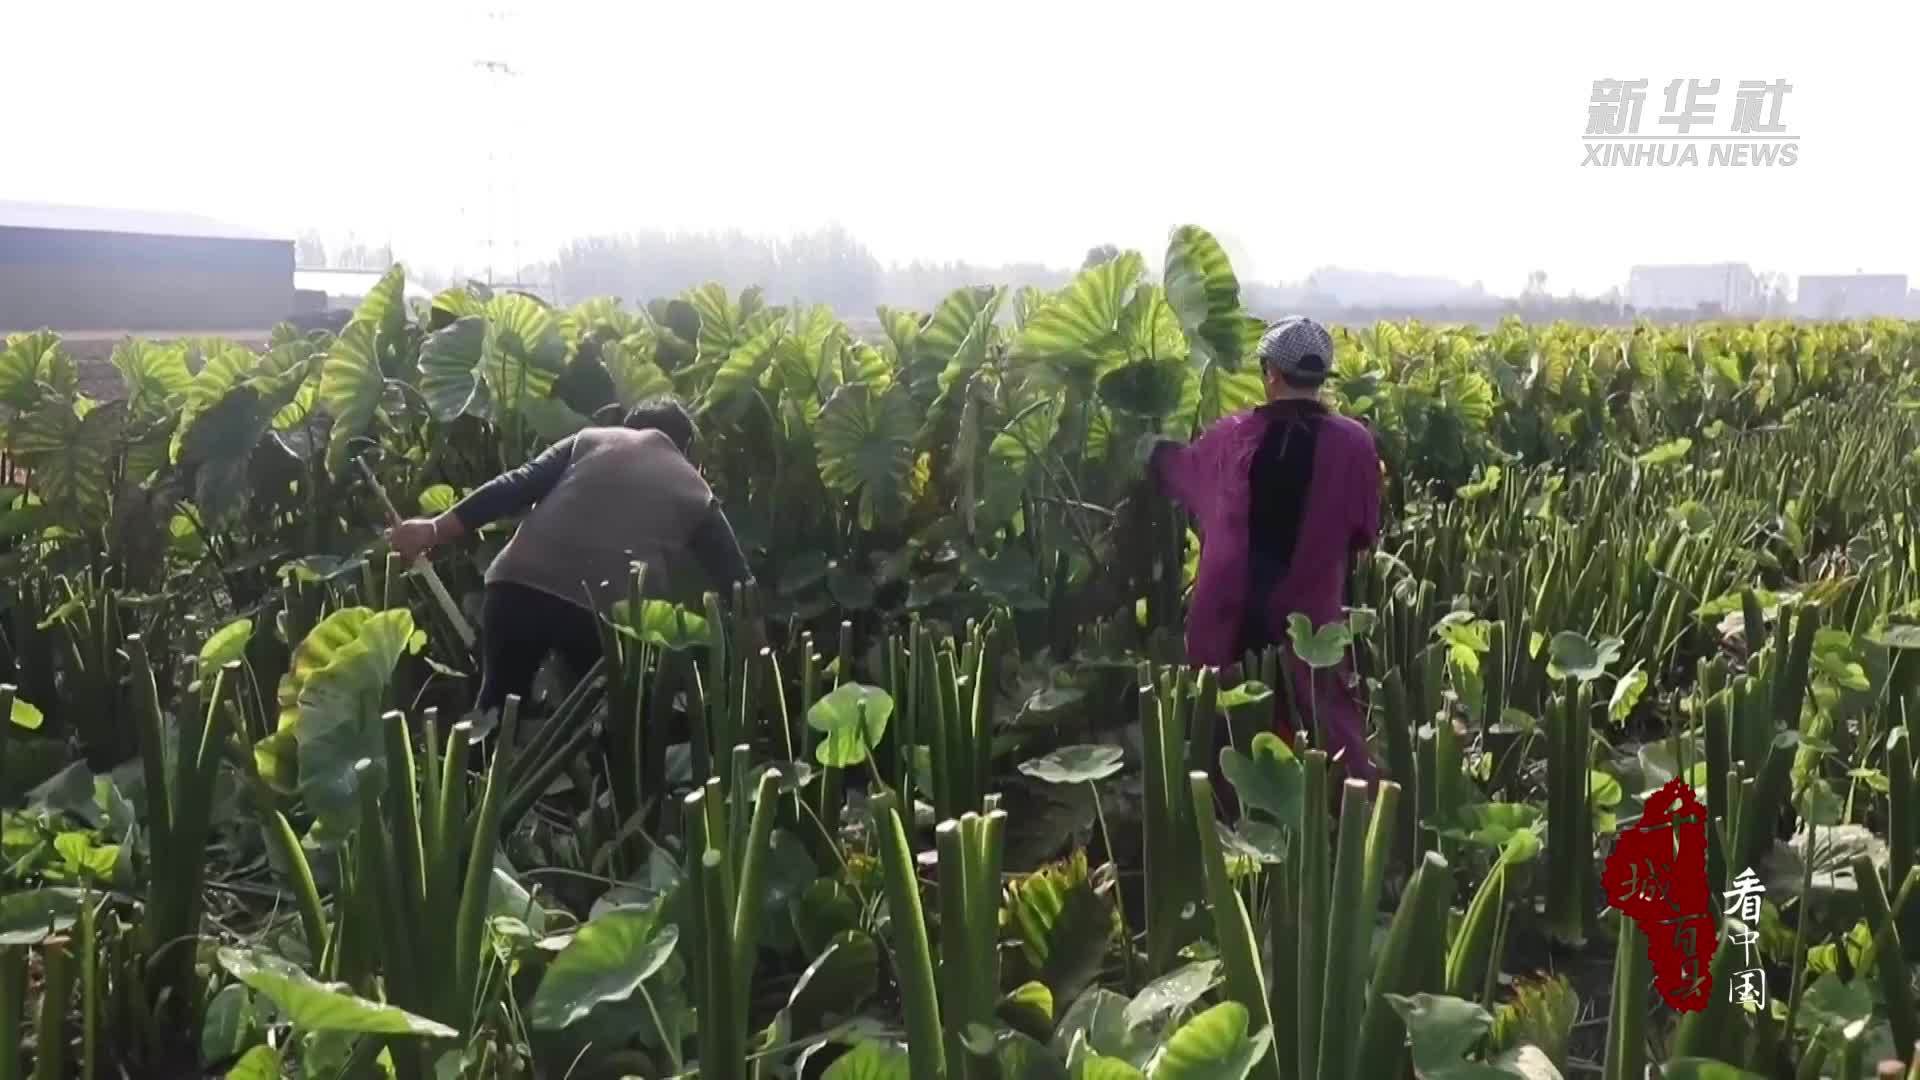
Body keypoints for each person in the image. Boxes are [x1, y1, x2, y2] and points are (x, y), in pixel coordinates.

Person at [388, 399, 752, 716]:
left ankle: (486, 785)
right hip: (595, 612)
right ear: (685, 446)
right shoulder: (693, 486)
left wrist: (433, 529)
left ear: (627, 428)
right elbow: (737, 581)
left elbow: (516, 485)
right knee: (606, 724)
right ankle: (598, 786)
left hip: (515, 586)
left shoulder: (591, 439)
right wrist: (760, 654)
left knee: (496, 714)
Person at [1142, 317, 1382, 780]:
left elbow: (1180, 474)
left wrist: (1148, 450)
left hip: (1225, 621)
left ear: (1270, 372)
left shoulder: (1232, 436)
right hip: (1307, 615)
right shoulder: (1355, 443)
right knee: (1324, 738)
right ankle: (1339, 830)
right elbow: (1362, 534)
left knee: (1223, 744)